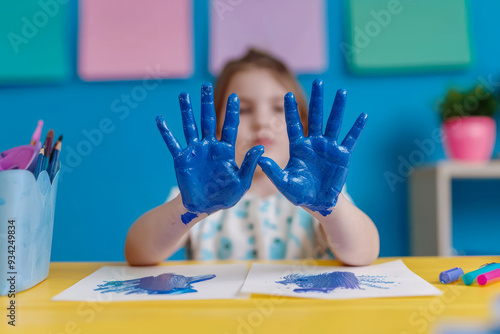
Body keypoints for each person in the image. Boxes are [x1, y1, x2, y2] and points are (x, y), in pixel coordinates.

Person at [125, 49, 379, 266]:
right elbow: (138, 254)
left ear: (301, 124)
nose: (261, 122)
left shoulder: (317, 196)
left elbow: (363, 253)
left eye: (280, 108)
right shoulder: (201, 195)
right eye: (243, 110)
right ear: (214, 128)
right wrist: (186, 209)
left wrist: (330, 209)